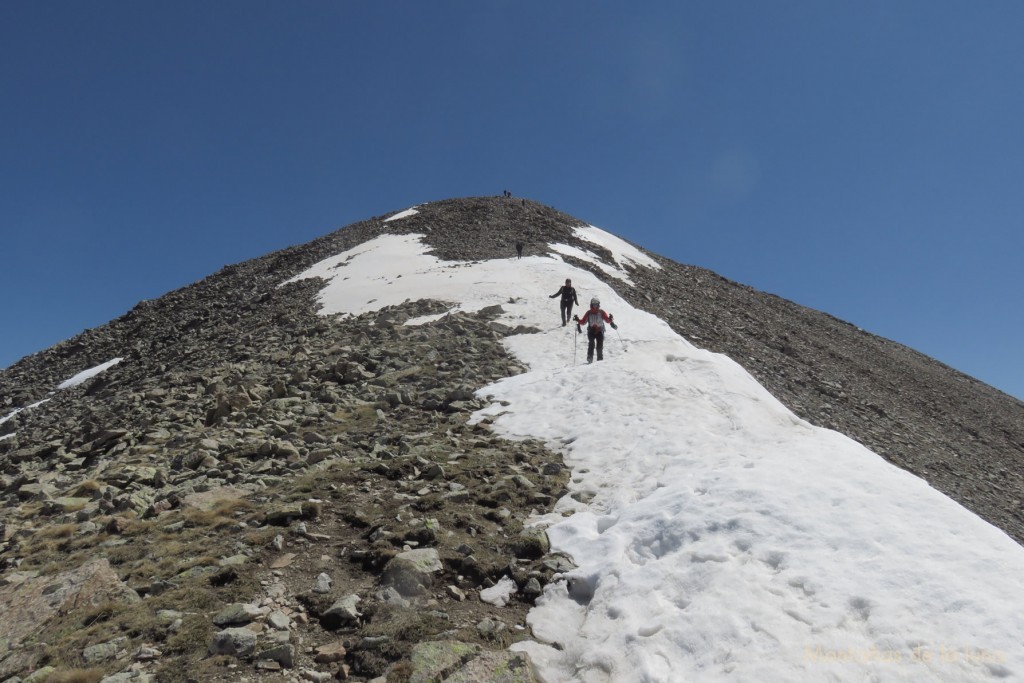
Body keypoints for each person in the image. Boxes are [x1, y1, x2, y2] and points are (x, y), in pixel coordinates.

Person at [575, 297, 617, 363]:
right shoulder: (588, 313)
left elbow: (607, 320)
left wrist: (610, 319)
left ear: (598, 305)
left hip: (600, 330)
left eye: (596, 304)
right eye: (594, 304)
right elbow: (583, 322)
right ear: (591, 305)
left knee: (599, 345)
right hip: (591, 330)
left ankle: (599, 359)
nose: (595, 306)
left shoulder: (601, 312)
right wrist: (578, 320)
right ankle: (590, 357)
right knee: (591, 343)